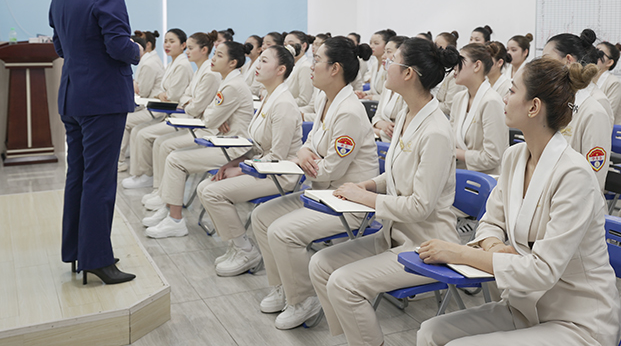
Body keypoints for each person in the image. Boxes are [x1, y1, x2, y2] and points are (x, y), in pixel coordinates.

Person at [416, 59, 621, 346]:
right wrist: (495, 248)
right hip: (525, 306)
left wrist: (459, 253)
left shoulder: (574, 174)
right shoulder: (514, 157)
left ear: (533, 107)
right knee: (430, 332)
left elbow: (542, 270)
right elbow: (490, 222)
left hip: (576, 320)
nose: (504, 97)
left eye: (512, 91)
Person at [308, 38, 462, 346]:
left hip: (425, 246)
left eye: (392, 61)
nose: (384, 64)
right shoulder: (406, 114)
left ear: (408, 74)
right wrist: (368, 185)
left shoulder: (435, 132)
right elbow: (395, 173)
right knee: (321, 264)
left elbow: (420, 206)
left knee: (344, 283)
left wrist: (367, 198)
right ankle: (355, 338)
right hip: (394, 234)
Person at [251, 36, 378, 330]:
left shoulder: (349, 111)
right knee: (261, 216)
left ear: (335, 69)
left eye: (317, 60)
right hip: (321, 193)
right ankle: (284, 287)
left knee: (282, 232)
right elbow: (308, 144)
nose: (310, 65)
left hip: (348, 203)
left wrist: (305, 159)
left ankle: (304, 300)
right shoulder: (324, 98)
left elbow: (331, 169)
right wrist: (303, 154)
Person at [49, 0, 141, 285]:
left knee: (78, 175)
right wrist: (138, 50)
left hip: (72, 97)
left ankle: (77, 251)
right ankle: (97, 259)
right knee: (100, 180)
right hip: (102, 99)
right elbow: (119, 47)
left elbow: (60, 47)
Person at [197, 45, 303, 276]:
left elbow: (277, 158)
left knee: (213, 193)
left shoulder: (283, 104)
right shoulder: (268, 97)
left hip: (279, 175)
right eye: (259, 59)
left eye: (264, 61)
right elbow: (257, 145)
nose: (257, 65)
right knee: (204, 186)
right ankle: (237, 246)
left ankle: (246, 251)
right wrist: (234, 163)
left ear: (281, 69)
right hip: (260, 167)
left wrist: (243, 169)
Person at [144, 41, 256, 238]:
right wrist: (214, 115)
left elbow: (209, 117)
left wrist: (214, 115)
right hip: (222, 141)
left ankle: (175, 220)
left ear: (232, 63)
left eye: (219, 56)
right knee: (173, 155)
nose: (213, 59)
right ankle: (169, 209)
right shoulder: (228, 82)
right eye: (215, 54)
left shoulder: (232, 86)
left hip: (232, 148)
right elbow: (206, 112)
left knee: (175, 159)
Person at [136, 31, 220, 207]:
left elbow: (191, 105)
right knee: (160, 143)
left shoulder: (209, 73)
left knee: (164, 144)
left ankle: (164, 195)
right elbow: (185, 97)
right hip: (189, 119)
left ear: (204, 50)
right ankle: (159, 190)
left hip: (200, 126)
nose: (187, 52)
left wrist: (187, 101)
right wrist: (187, 101)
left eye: (190, 48)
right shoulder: (199, 70)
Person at [119, 28, 192, 182]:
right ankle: (138, 173)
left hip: (170, 112)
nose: (167, 45)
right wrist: (161, 94)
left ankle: (145, 174)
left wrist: (161, 94)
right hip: (163, 107)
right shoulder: (172, 64)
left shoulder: (182, 65)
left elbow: (172, 95)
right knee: (137, 130)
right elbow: (164, 92)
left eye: (172, 41)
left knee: (140, 132)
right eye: (166, 41)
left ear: (183, 45)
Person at [542, 29, 611, 188]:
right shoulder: (560, 98)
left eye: (546, 60)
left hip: (576, 195)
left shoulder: (596, 105)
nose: (543, 67)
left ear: (568, 60)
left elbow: (594, 176)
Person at [450, 43, 507, 175]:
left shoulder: (491, 101)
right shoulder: (458, 99)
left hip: (485, 178)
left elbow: (492, 157)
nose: (455, 68)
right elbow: (451, 140)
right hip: (459, 173)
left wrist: (455, 152)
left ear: (477, 66)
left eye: (460, 62)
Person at [117, 29, 164, 173]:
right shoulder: (147, 61)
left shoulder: (149, 63)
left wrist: (133, 84)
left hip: (154, 108)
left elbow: (142, 91)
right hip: (149, 104)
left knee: (125, 121)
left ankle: (119, 161)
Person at [371, 35, 408, 142]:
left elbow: (400, 130)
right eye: (384, 52)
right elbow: (377, 116)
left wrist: (376, 131)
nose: (384, 56)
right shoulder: (388, 83)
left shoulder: (408, 87)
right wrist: (381, 124)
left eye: (388, 52)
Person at [595, 40, 621, 126]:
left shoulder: (614, 83)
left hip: (612, 130)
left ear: (609, 62)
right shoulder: (587, 79)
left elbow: (606, 115)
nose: (594, 56)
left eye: (599, 53)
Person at [433, 31, 465, 118]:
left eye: (439, 47)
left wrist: (426, 104)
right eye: (434, 45)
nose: (435, 50)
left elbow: (449, 107)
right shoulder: (435, 68)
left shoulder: (454, 74)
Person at [284, 30, 315, 115]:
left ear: (304, 46)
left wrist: (281, 102)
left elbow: (304, 100)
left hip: (293, 112)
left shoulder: (305, 67)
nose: (287, 48)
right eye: (285, 45)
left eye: (291, 44)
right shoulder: (291, 66)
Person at [360, 28, 396, 100]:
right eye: (370, 43)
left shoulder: (389, 66)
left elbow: (389, 96)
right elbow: (375, 91)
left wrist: (372, 97)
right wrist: (365, 93)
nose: (371, 46)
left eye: (376, 43)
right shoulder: (375, 64)